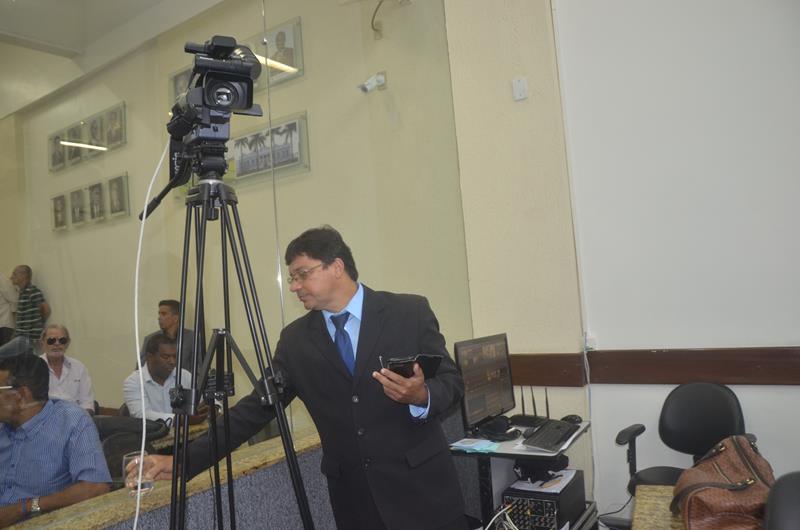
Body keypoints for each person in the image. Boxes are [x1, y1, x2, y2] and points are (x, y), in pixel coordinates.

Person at [128, 226, 466, 529]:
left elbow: (452, 382)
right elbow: (253, 410)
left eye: (302, 274)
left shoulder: (408, 312)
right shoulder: (295, 341)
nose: (294, 286)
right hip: (357, 503)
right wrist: (183, 461)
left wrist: (422, 396)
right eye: (291, 278)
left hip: (423, 492)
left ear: (337, 267)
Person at [0, 354, 110, 526]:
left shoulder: (71, 421)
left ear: (20, 395)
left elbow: (95, 487)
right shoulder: (4, 424)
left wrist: (24, 508)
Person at [124, 335, 205, 426]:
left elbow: (202, 401)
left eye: (174, 357)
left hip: (186, 432)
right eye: (166, 357)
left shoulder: (184, 375)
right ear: (149, 357)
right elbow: (142, 415)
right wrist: (180, 420)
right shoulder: (134, 382)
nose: (172, 362)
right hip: (152, 433)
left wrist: (208, 408)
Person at [39, 325, 95, 415]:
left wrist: (78, 420)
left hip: (76, 419)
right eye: (51, 340)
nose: (57, 344)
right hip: (44, 419)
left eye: (62, 340)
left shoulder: (79, 367)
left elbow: (87, 404)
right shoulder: (33, 367)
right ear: (42, 343)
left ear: (68, 343)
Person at [139, 299, 196, 372]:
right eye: (159, 314)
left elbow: (198, 369)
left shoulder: (192, 338)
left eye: (163, 314)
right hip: (157, 379)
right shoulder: (150, 339)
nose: (159, 318)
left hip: (183, 379)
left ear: (175, 318)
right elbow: (141, 368)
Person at [11, 266, 49, 343]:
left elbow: (46, 309)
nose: (11, 277)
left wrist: (38, 324)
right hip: (21, 337)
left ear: (24, 275)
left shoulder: (32, 291)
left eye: (14, 274)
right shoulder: (22, 293)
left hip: (29, 338)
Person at [0, 274, 17, 347]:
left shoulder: (2, 279)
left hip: (4, 324)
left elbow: (14, 299)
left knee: (5, 352)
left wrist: (15, 320)